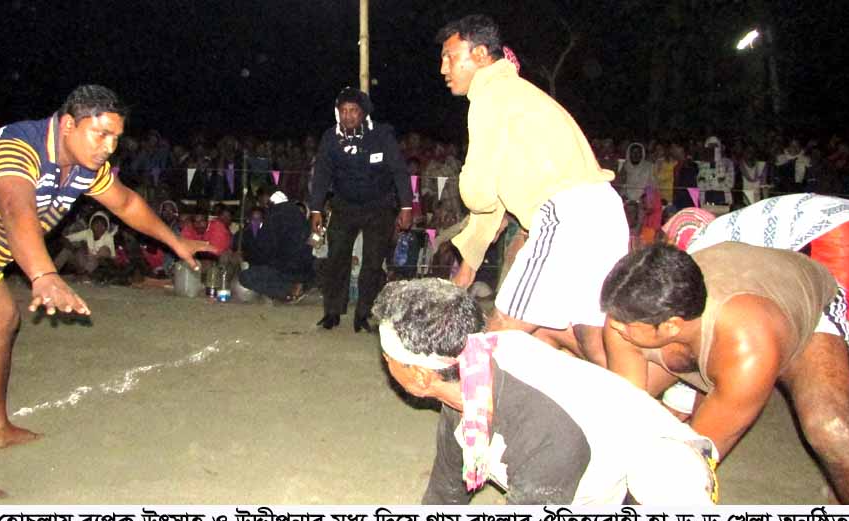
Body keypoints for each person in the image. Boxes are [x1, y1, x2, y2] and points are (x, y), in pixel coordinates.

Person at [0, 85, 215, 502]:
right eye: (101, 134)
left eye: (115, 138)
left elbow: (126, 203)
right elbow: (16, 210)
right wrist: (43, 274)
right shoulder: (15, 149)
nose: (109, 148)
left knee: (1, 323)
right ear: (68, 124)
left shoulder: (84, 167)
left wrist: (175, 241)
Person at [373, 278, 718, 505]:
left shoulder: (541, 427)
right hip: (577, 468)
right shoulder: (472, 371)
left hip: (654, 478)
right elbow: (445, 494)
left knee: (664, 471)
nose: (384, 361)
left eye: (388, 357)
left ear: (420, 376)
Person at [601, 243, 849, 504]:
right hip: (729, 285)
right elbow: (628, 416)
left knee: (830, 429)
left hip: (802, 305)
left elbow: (693, 457)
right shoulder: (625, 315)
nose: (614, 327)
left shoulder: (749, 352)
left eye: (625, 325)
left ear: (671, 326)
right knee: (610, 419)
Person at [435, 15, 628, 365]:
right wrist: (469, 265)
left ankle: (468, 403)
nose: (443, 68)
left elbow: (480, 193)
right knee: (593, 342)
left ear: (480, 54)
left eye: (450, 56)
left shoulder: (489, 95)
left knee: (498, 336)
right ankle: (633, 398)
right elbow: (493, 199)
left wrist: (469, 192)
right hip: (604, 210)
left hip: (565, 215)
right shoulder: (519, 94)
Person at [674, 194, 849, 348]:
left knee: (818, 341)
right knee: (843, 339)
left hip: (841, 233)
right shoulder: (728, 227)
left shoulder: (701, 244)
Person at [308, 87, 413, 332]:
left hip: (379, 206)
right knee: (336, 258)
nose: (348, 116)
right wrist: (316, 209)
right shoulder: (331, 138)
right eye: (343, 111)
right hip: (344, 205)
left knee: (373, 263)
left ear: (363, 112)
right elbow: (321, 174)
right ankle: (332, 311)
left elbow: (399, 170)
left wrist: (406, 206)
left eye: (353, 110)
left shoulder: (382, 135)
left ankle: (364, 315)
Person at [239, 191, 315, 301]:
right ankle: (301, 286)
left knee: (246, 277)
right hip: (306, 270)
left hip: (285, 270)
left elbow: (266, 250)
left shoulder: (274, 216)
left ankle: (290, 290)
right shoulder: (301, 217)